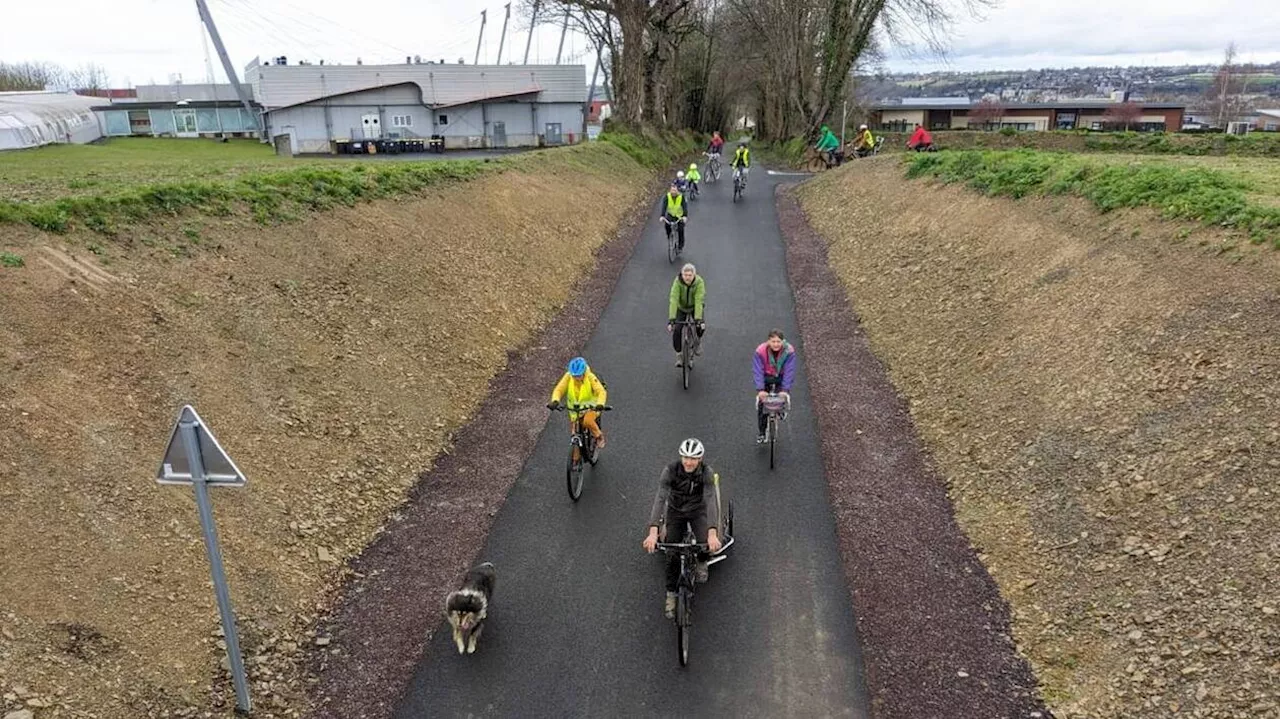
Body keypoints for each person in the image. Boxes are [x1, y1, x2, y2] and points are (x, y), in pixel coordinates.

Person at [642, 438, 725, 618]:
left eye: (693, 458)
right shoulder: (670, 471)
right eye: (685, 457)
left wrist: (712, 533)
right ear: (681, 457)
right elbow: (660, 499)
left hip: (698, 510)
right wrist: (653, 532)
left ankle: (702, 561)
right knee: (671, 552)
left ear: (700, 458)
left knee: (704, 544)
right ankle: (671, 594)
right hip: (675, 510)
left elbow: (711, 501)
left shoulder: (707, 473)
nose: (688, 462)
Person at [547, 356, 608, 451]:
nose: (576, 378)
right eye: (574, 376)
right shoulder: (568, 376)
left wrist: (600, 404)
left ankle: (598, 435)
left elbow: (601, 391)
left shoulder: (590, 377)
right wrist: (555, 401)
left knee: (587, 421)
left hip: (591, 407)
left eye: (578, 375)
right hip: (574, 410)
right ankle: (575, 461)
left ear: (584, 373)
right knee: (574, 435)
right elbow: (559, 389)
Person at [753, 329, 796, 444]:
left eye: (778, 341)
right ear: (768, 342)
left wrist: (785, 390)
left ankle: (780, 409)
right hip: (766, 376)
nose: (776, 344)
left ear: (783, 342)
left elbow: (789, 371)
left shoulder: (789, 352)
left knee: (780, 396)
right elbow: (758, 371)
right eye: (773, 341)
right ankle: (762, 432)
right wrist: (760, 390)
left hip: (781, 376)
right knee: (763, 406)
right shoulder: (760, 351)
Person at [668, 263, 706, 367]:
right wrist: (671, 319)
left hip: (694, 307)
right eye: (685, 275)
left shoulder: (699, 282)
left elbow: (699, 300)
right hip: (681, 308)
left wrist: (698, 319)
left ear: (694, 275)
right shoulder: (677, 282)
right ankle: (679, 355)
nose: (687, 277)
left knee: (701, 327)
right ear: (682, 274)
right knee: (676, 330)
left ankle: (697, 342)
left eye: (690, 275)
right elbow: (673, 299)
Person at [660, 183, 689, 252]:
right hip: (671, 215)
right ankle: (670, 237)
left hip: (679, 216)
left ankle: (680, 246)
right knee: (667, 225)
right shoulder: (667, 196)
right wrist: (662, 215)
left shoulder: (682, 197)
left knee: (680, 229)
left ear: (677, 191)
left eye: (674, 191)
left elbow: (685, 207)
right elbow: (664, 206)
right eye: (672, 190)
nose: (673, 192)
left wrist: (685, 216)